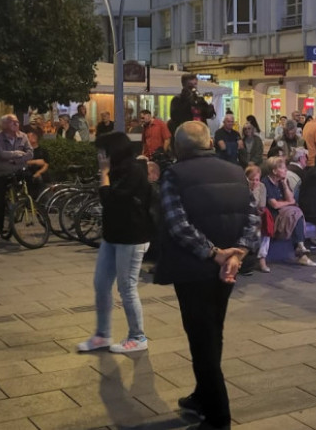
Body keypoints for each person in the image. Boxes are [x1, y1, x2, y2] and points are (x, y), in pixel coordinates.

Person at [153, 121, 259, 430]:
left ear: (178, 147)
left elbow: (177, 223)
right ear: (210, 141)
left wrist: (214, 253)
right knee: (215, 330)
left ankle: (217, 417)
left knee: (202, 339)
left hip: (194, 268)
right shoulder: (235, 171)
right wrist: (237, 253)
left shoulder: (174, 174)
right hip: (227, 268)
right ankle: (202, 395)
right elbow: (252, 216)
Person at [77, 132, 154, 354]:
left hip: (132, 237)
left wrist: (103, 174)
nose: (99, 156)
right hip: (112, 236)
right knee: (101, 284)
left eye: (102, 152)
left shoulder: (133, 172)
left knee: (126, 287)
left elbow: (110, 200)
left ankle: (138, 337)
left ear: (114, 152)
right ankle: (102, 335)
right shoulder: (116, 171)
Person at [261, 156, 316, 266]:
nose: (286, 170)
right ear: (274, 171)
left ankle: (301, 248)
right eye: (282, 168)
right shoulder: (266, 183)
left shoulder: (282, 181)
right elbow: (275, 204)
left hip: (286, 213)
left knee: (296, 213)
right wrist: (289, 203)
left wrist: (285, 185)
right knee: (296, 212)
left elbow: (291, 199)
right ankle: (301, 248)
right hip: (273, 215)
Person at [0, 115, 33, 244]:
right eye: (13, 122)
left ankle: (22, 209)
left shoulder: (23, 136)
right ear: (5, 124)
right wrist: (17, 154)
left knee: (30, 183)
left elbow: (30, 153)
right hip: (1, 173)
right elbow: (1, 153)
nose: (16, 124)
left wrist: (13, 160)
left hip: (17, 171)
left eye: (17, 122)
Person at [245, 165, 270, 273]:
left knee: (264, 230)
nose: (255, 182)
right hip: (244, 216)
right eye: (251, 180)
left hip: (256, 216)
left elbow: (261, 206)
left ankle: (262, 258)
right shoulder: (242, 187)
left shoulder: (262, 187)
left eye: (257, 180)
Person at [25, 128, 50, 197]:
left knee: (40, 179)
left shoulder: (43, 150)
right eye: (30, 136)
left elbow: (46, 164)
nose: (33, 137)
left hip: (41, 174)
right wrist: (35, 161)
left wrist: (39, 172)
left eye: (34, 136)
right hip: (29, 174)